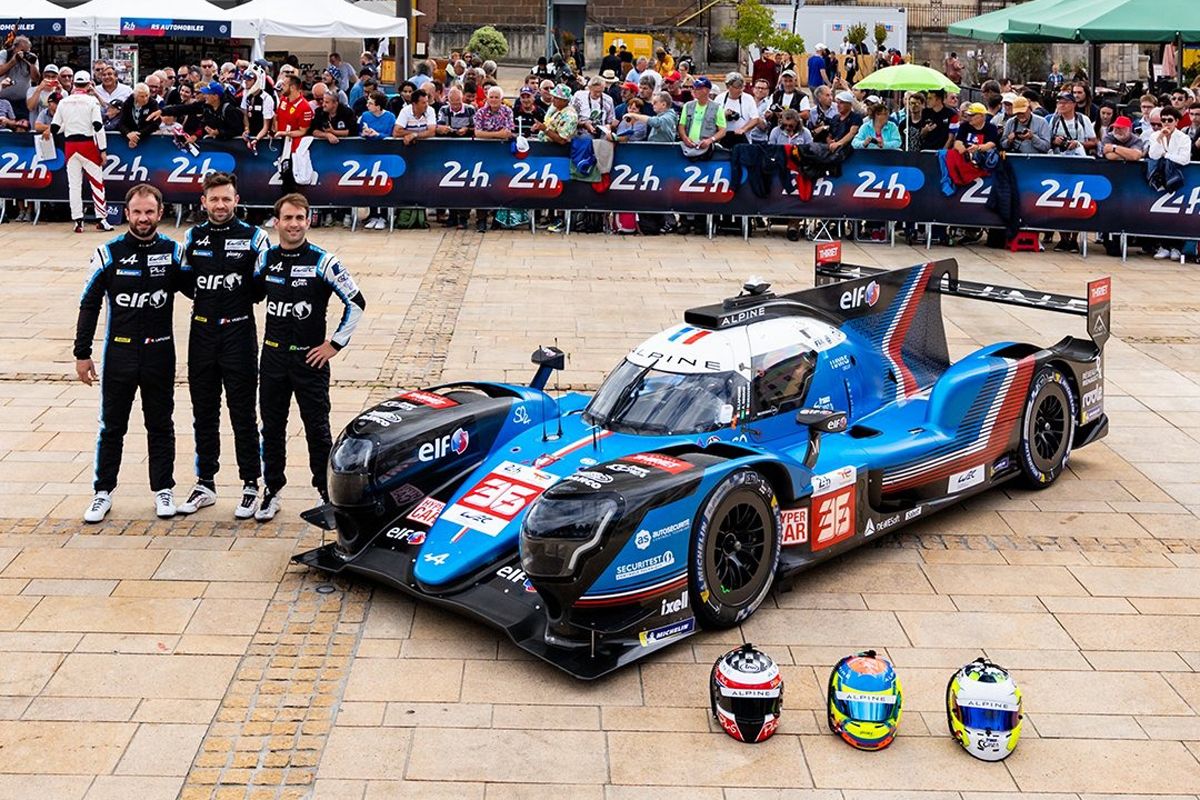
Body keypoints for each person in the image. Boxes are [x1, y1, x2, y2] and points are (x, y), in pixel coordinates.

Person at [75, 184, 186, 523]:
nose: (142, 218)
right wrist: (82, 353)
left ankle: (163, 489)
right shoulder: (108, 253)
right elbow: (89, 304)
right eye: (136, 212)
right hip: (119, 354)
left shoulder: (173, 251)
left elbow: (203, 291)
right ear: (126, 214)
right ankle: (102, 492)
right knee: (112, 427)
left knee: (161, 425)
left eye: (149, 212)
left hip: (160, 353)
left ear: (159, 213)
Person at [253, 193, 366, 521]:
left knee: (317, 428)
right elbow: (252, 294)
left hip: (310, 361)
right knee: (271, 427)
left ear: (308, 220)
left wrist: (335, 344)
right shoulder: (266, 259)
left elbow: (356, 302)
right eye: (287, 218)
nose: (293, 224)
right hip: (272, 357)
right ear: (277, 223)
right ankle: (271, 490)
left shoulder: (323, 260)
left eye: (299, 218)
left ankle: (325, 493)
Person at [176, 172, 271, 517]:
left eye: (226, 199)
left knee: (243, 412)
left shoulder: (255, 237)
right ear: (203, 202)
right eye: (214, 199)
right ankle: (205, 483)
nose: (220, 205)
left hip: (239, 333)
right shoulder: (192, 235)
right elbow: (185, 282)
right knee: (204, 412)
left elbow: (261, 288)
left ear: (237, 199)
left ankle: (250, 483)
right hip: (201, 334)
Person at [47, 71, 113, 234]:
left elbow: (55, 128)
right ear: (89, 84)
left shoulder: (63, 102)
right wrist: (103, 149)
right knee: (97, 183)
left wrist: (68, 126)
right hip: (88, 145)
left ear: (75, 84)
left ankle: (78, 221)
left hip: (71, 146)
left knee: (74, 186)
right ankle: (101, 219)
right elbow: (98, 126)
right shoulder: (91, 102)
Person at [715, 72, 760, 147]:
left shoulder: (748, 98)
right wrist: (723, 115)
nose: (740, 90)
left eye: (742, 87)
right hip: (723, 138)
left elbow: (755, 119)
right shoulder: (719, 98)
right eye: (737, 87)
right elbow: (711, 118)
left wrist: (743, 129)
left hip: (743, 139)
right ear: (728, 86)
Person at [118, 83, 161, 149]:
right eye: (142, 96)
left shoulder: (153, 103)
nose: (145, 99)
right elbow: (121, 123)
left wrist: (137, 135)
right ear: (135, 96)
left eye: (147, 95)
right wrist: (128, 134)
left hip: (147, 138)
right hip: (129, 137)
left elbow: (156, 123)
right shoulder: (127, 103)